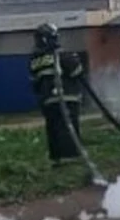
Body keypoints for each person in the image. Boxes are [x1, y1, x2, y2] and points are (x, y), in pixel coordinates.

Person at [29, 23, 86, 166]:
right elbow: (77, 71)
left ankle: (56, 158)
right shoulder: (61, 55)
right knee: (68, 128)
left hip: (47, 100)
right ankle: (71, 158)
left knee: (52, 128)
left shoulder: (34, 60)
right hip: (67, 98)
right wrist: (75, 58)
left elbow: (35, 84)